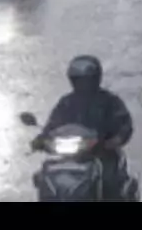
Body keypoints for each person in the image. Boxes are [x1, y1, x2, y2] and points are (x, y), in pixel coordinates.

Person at [32, 55, 136, 201]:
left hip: (101, 154)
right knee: (42, 176)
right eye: (78, 80)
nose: (82, 84)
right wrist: (41, 139)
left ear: (95, 79)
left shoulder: (109, 101)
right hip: (68, 156)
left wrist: (114, 140)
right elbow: (53, 124)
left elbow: (124, 125)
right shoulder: (66, 103)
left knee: (109, 182)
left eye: (86, 80)